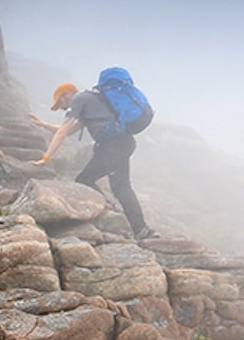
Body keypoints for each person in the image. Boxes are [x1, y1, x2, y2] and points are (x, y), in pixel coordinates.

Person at [29, 81, 157, 240]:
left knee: (121, 187)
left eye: (60, 102)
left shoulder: (79, 99)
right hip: (113, 145)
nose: (61, 107)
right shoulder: (92, 100)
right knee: (84, 179)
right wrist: (42, 124)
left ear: (68, 93)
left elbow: (62, 133)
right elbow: (68, 132)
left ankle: (142, 229)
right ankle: (110, 209)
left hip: (114, 146)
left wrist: (45, 158)